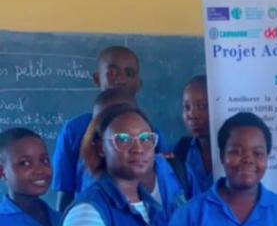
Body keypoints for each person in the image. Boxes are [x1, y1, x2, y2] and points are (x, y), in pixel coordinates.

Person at [52, 45, 167, 211]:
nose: (120, 80)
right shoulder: (74, 130)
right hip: (88, 213)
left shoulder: (150, 134)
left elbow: (161, 187)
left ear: (138, 84)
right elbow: (65, 191)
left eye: (129, 74)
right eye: (112, 73)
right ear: (97, 79)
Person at [81, 90, 195, 218]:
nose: (138, 149)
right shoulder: (90, 208)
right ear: (101, 147)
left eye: (145, 138)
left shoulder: (177, 171)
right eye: (123, 139)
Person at [169, 76, 213, 194]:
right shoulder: (178, 152)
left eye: (202, 106)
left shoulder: (234, 152)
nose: (193, 115)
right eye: (186, 107)